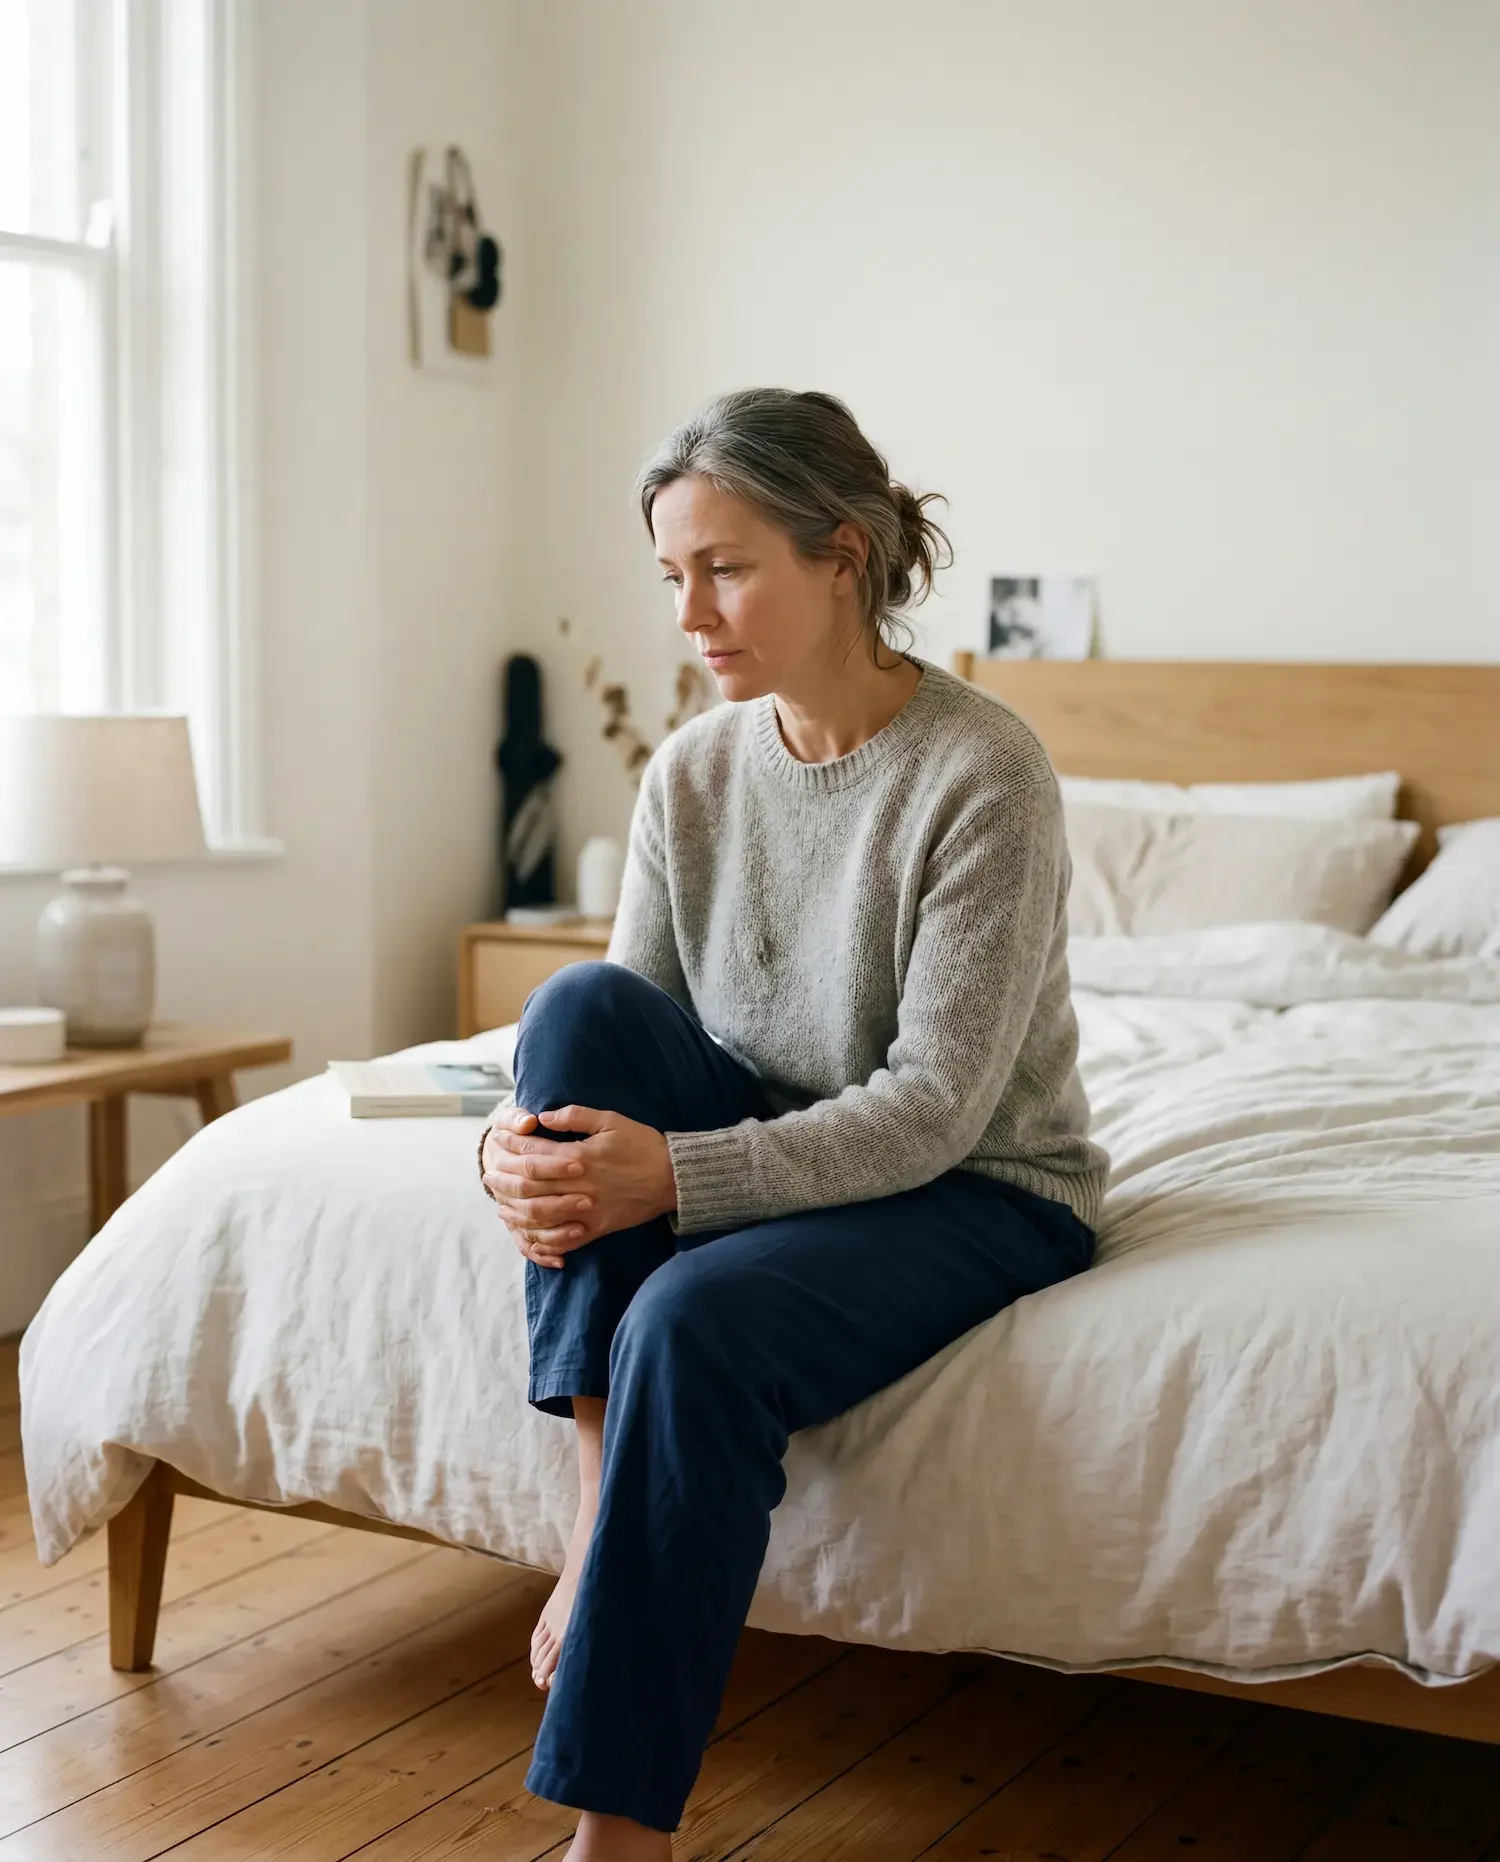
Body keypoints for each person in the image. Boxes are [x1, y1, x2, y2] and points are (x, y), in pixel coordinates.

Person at [478, 387, 1109, 1861]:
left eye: (728, 566)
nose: (693, 611)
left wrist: (681, 1176)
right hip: (776, 1141)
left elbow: (936, 1109)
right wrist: (505, 1148)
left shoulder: (983, 769)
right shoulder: (691, 770)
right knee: (569, 1012)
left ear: (844, 554)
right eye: (672, 575)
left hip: (979, 1182)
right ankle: (597, 1513)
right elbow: (618, 1048)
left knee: (692, 1321)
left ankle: (610, 1840)